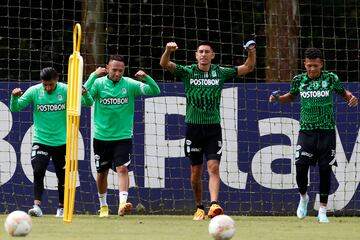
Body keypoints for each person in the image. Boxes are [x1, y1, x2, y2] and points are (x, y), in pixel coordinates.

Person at [160, 40, 256, 220]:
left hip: (213, 129)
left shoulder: (220, 72)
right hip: (193, 129)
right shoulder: (188, 71)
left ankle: (214, 204)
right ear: (196, 55)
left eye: (207, 52)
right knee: (195, 173)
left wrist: (251, 51)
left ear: (213, 55)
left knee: (213, 167)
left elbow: (248, 67)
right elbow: (164, 64)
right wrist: (168, 50)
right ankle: (199, 207)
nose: (203, 54)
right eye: (200, 52)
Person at [269, 48, 358, 223]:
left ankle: (322, 211)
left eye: (315, 66)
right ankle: (303, 197)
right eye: (309, 66)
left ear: (321, 65)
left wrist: (351, 98)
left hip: (327, 132)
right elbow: (292, 97)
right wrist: (278, 99)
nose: (311, 69)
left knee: (325, 170)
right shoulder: (298, 80)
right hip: (306, 132)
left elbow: (343, 92)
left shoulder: (330, 78)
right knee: (301, 168)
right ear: (304, 64)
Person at [10, 67, 93, 217]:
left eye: (51, 85)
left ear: (56, 80)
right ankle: (37, 207)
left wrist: (85, 93)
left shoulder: (66, 90)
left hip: (62, 141)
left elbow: (88, 103)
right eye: (45, 85)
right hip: (41, 140)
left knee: (62, 176)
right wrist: (14, 97)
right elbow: (15, 108)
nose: (48, 88)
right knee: (38, 170)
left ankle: (61, 208)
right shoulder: (34, 91)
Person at [84, 55, 161, 218]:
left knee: (122, 168)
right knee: (102, 172)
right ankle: (103, 206)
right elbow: (86, 101)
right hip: (101, 137)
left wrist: (147, 78)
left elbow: (155, 90)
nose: (118, 73)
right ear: (107, 67)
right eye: (114, 70)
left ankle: (122, 204)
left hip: (123, 136)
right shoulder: (98, 83)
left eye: (121, 70)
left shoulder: (129, 84)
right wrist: (92, 76)